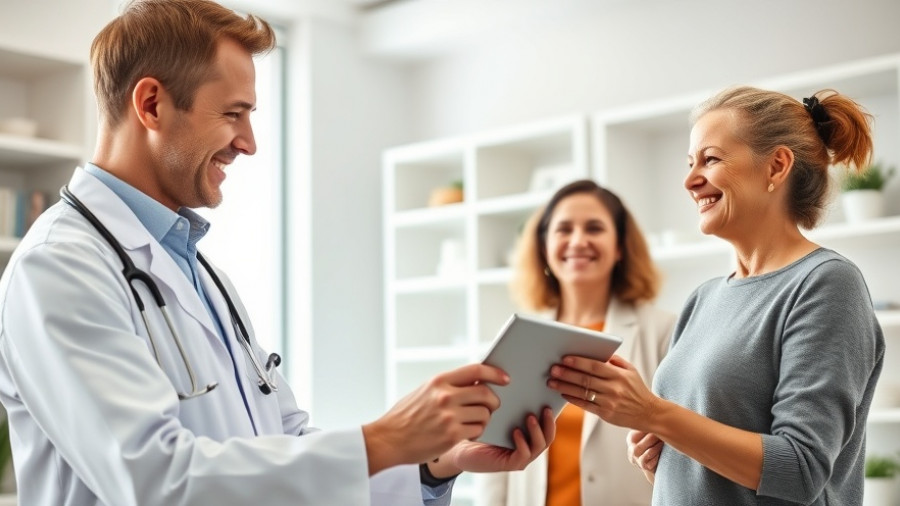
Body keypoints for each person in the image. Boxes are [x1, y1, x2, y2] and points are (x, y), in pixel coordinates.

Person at [0, 1, 556, 505]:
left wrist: (430, 463)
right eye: (232, 113)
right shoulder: (60, 266)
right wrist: (385, 438)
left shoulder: (198, 271)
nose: (249, 142)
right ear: (151, 104)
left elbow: (281, 444)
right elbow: (155, 480)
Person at [547, 86, 886, 505]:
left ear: (777, 166)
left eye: (710, 159)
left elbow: (800, 469)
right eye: (690, 163)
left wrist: (654, 414)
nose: (690, 181)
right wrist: (664, 461)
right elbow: (708, 455)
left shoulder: (826, 284)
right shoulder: (703, 299)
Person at [476, 179, 676, 506]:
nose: (578, 241)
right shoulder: (516, 338)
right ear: (543, 246)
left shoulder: (664, 332)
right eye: (564, 229)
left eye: (594, 228)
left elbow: (680, 447)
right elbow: (493, 457)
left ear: (620, 247)